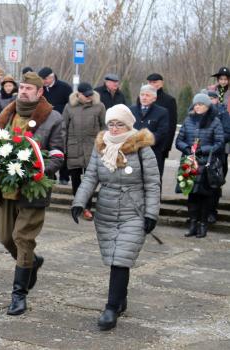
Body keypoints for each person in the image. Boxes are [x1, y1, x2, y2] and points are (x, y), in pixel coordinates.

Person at [71, 104, 160, 331]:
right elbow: (90, 176)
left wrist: (151, 213)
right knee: (114, 258)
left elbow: (152, 183)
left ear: (128, 124)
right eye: (111, 123)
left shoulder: (142, 148)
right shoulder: (100, 147)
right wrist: (79, 201)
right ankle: (120, 299)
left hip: (134, 211)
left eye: (119, 123)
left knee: (121, 258)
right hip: (107, 211)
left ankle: (111, 308)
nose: (115, 128)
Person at [0, 72, 65, 316]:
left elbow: (58, 153)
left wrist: (39, 171)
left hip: (33, 188)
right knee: (6, 238)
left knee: (23, 238)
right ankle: (32, 262)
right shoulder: (7, 112)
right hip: (7, 188)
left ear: (39, 92)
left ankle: (19, 295)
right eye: (21, 87)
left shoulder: (52, 117)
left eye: (28, 88)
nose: (23, 91)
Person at [175, 93, 224, 238]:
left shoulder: (215, 121)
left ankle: (203, 225)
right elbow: (179, 140)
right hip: (189, 163)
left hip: (206, 164)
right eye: (196, 104)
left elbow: (219, 143)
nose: (197, 107)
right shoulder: (188, 120)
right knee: (191, 195)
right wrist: (186, 148)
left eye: (200, 104)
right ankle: (192, 224)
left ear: (207, 106)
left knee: (205, 196)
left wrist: (203, 150)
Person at [63, 82, 106, 221]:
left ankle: (87, 207)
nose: (89, 97)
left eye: (90, 95)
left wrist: (103, 146)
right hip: (74, 147)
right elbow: (64, 128)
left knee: (91, 180)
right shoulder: (69, 107)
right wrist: (63, 149)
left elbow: (104, 127)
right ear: (79, 94)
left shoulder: (99, 106)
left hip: (92, 148)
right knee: (75, 180)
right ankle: (79, 205)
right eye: (86, 95)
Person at [38, 67, 72, 185]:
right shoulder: (40, 89)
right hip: (45, 123)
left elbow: (70, 105)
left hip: (61, 123)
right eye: (41, 79)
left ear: (52, 77)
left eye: (45, 79)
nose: (44, 81)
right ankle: (49, 175)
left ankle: (64, 176)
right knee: (47, 150)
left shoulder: (65, 88)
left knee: (61, 150)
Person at [129, 85, 169, 177]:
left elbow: (162, 132)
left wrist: (143, 141)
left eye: (147, 95)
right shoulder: (131, 110)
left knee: (151, 180)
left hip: (153, 152)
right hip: (133, 152)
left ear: (154, 98)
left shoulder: (162, 112)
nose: (144, 97)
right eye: (142, 95)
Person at [207, 89, 230, 224]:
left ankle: (211, 212)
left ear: (217, 100)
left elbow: (228, 132)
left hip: (217, 154)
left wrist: (216, 140)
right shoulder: (198, 112)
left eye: (212, 98)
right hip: (201, 154)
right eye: (208, 98)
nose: (210, 101)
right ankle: (197, 213)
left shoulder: (223, 113)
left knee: (214, 184)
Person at [146, 73, 177, 171]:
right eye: (150, 82)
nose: (151, 84)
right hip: (144, 143)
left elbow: (172, 125)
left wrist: (166, 146)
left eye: (154, 82)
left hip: (160, 145)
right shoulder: (143, 98)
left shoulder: (169, 100)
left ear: (161, 83)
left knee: (156, 175)